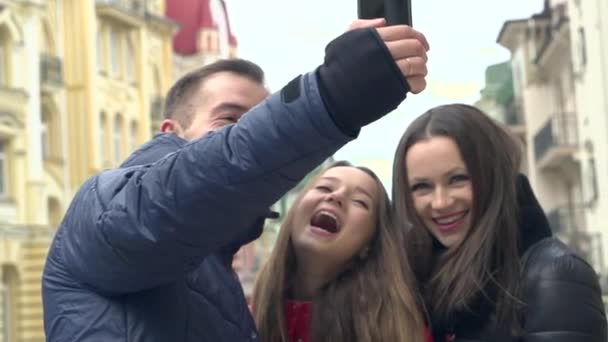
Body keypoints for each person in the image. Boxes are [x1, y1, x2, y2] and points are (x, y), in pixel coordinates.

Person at [42, 18, 430, 342]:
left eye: (258, 123)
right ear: (172, 131)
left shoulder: (223, 281)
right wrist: (335, 93)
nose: (244, 136)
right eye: (230, 121)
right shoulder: (104, 208)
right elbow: (198, 182)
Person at [391, 103, 607, 342]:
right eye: (422, 187)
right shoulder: (419, 283)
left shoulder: (553, 275)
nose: (440, 202)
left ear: (495, 175)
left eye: (458, 179)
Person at [252, 161, 432, 342]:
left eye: (360, 201)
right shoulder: (244, 317)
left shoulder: (399, 331)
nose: (336, 196)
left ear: (369, 245)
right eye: (324, 188)